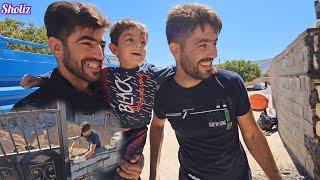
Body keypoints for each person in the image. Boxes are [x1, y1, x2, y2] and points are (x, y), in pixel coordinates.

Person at [149, 4, 282, 180]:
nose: (214, 53)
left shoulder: (230, 83)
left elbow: (252, 135)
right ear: (176, 49)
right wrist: (153, 174)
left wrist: (277, 178)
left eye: (214, 43)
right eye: (203, 45)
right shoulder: (163, 92)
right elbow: (157, 125)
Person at [12, 1, 143, 179]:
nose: (100, 55)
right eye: (87, 43)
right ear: (56, 46)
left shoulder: (114, 93)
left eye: (101, 45)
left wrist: (136, 160)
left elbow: (134, 135)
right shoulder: (27, 114)